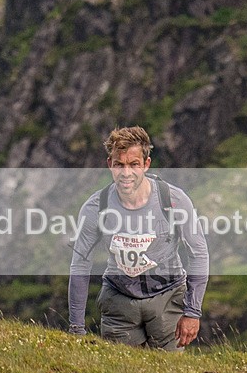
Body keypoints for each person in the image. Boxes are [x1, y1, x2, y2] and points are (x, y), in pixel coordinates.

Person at [67, 126, 209, 350]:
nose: (126, 173)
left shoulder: (173, 200)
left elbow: (198, 253)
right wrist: (76, 328)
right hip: (119, 300)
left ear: (146, 164)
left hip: (168, 296)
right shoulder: (95, 208)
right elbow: (80, 264)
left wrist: (192, 311)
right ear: (109, 165)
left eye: (134, 164)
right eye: (119, 165)